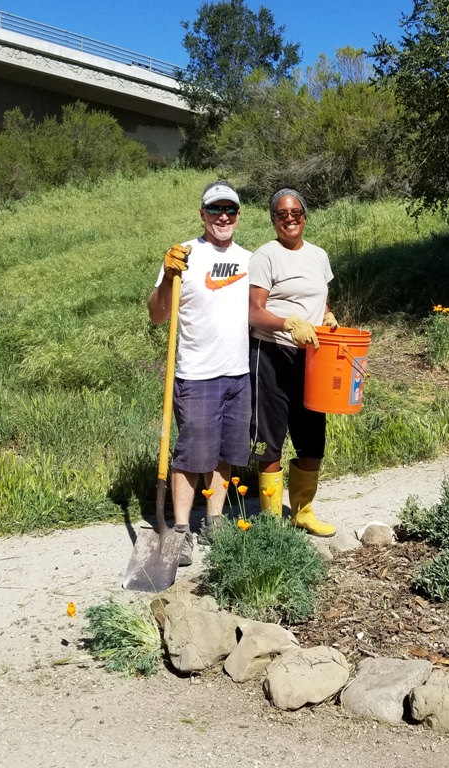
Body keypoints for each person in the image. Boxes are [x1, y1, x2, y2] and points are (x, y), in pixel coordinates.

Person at [147, 181, 251, 565]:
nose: (222, 216)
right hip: (197, 375)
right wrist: (169, 278)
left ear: (239, 215)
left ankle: (215, 521)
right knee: (192, 455)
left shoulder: (249, 259)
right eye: (214, 210)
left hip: (239, 373)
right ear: (202, 214)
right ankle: (180, 530)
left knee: (225, 454)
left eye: (230, 210)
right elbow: (157, 315)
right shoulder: (184, 255)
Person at [247, 188, 338, 537]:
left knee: (312, 437)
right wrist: (287, 323)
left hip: (313, 357)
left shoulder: (318, 256)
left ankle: (303, 511)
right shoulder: (265, 256)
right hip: (272, 354)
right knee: (270, 440)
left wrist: (327, 316)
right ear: (273, 219)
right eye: (282, 214)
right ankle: (271, 521)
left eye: (295, 212)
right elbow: (254, 312)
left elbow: (322, 300)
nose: (290, 218)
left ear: (305, 215)